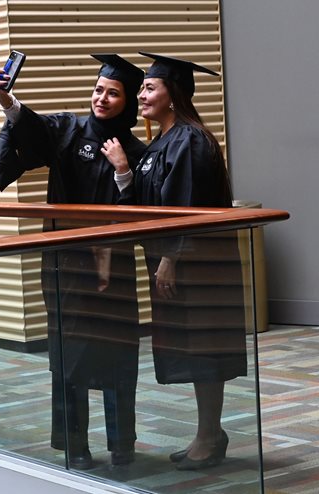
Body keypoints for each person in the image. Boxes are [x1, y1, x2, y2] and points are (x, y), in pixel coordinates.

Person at [0, 54, 146, 469]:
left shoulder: (135, 150)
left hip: (115, 270)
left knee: (117, 353)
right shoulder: (67, 129)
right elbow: (32, 130)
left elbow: (143, 211)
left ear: (127, 102)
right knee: (68, 355)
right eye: (98, 90)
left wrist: (124, 172)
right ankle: (76, 445)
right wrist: (7, 100)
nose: (102, 98)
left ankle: (122, 445)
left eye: (113, 93)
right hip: (65, 265)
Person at [104, 52, 247, 471]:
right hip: (178, 263)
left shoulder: (189, 139)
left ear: (174, 94)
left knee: (205, 348)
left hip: (197, 266)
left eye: (150, 87)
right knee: (193, 346)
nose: (141, 94)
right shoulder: (164, 141)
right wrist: (124, 172)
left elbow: (188, 206)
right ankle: (208, 433)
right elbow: (151, 205)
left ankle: (209, 435)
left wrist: (170, 258)